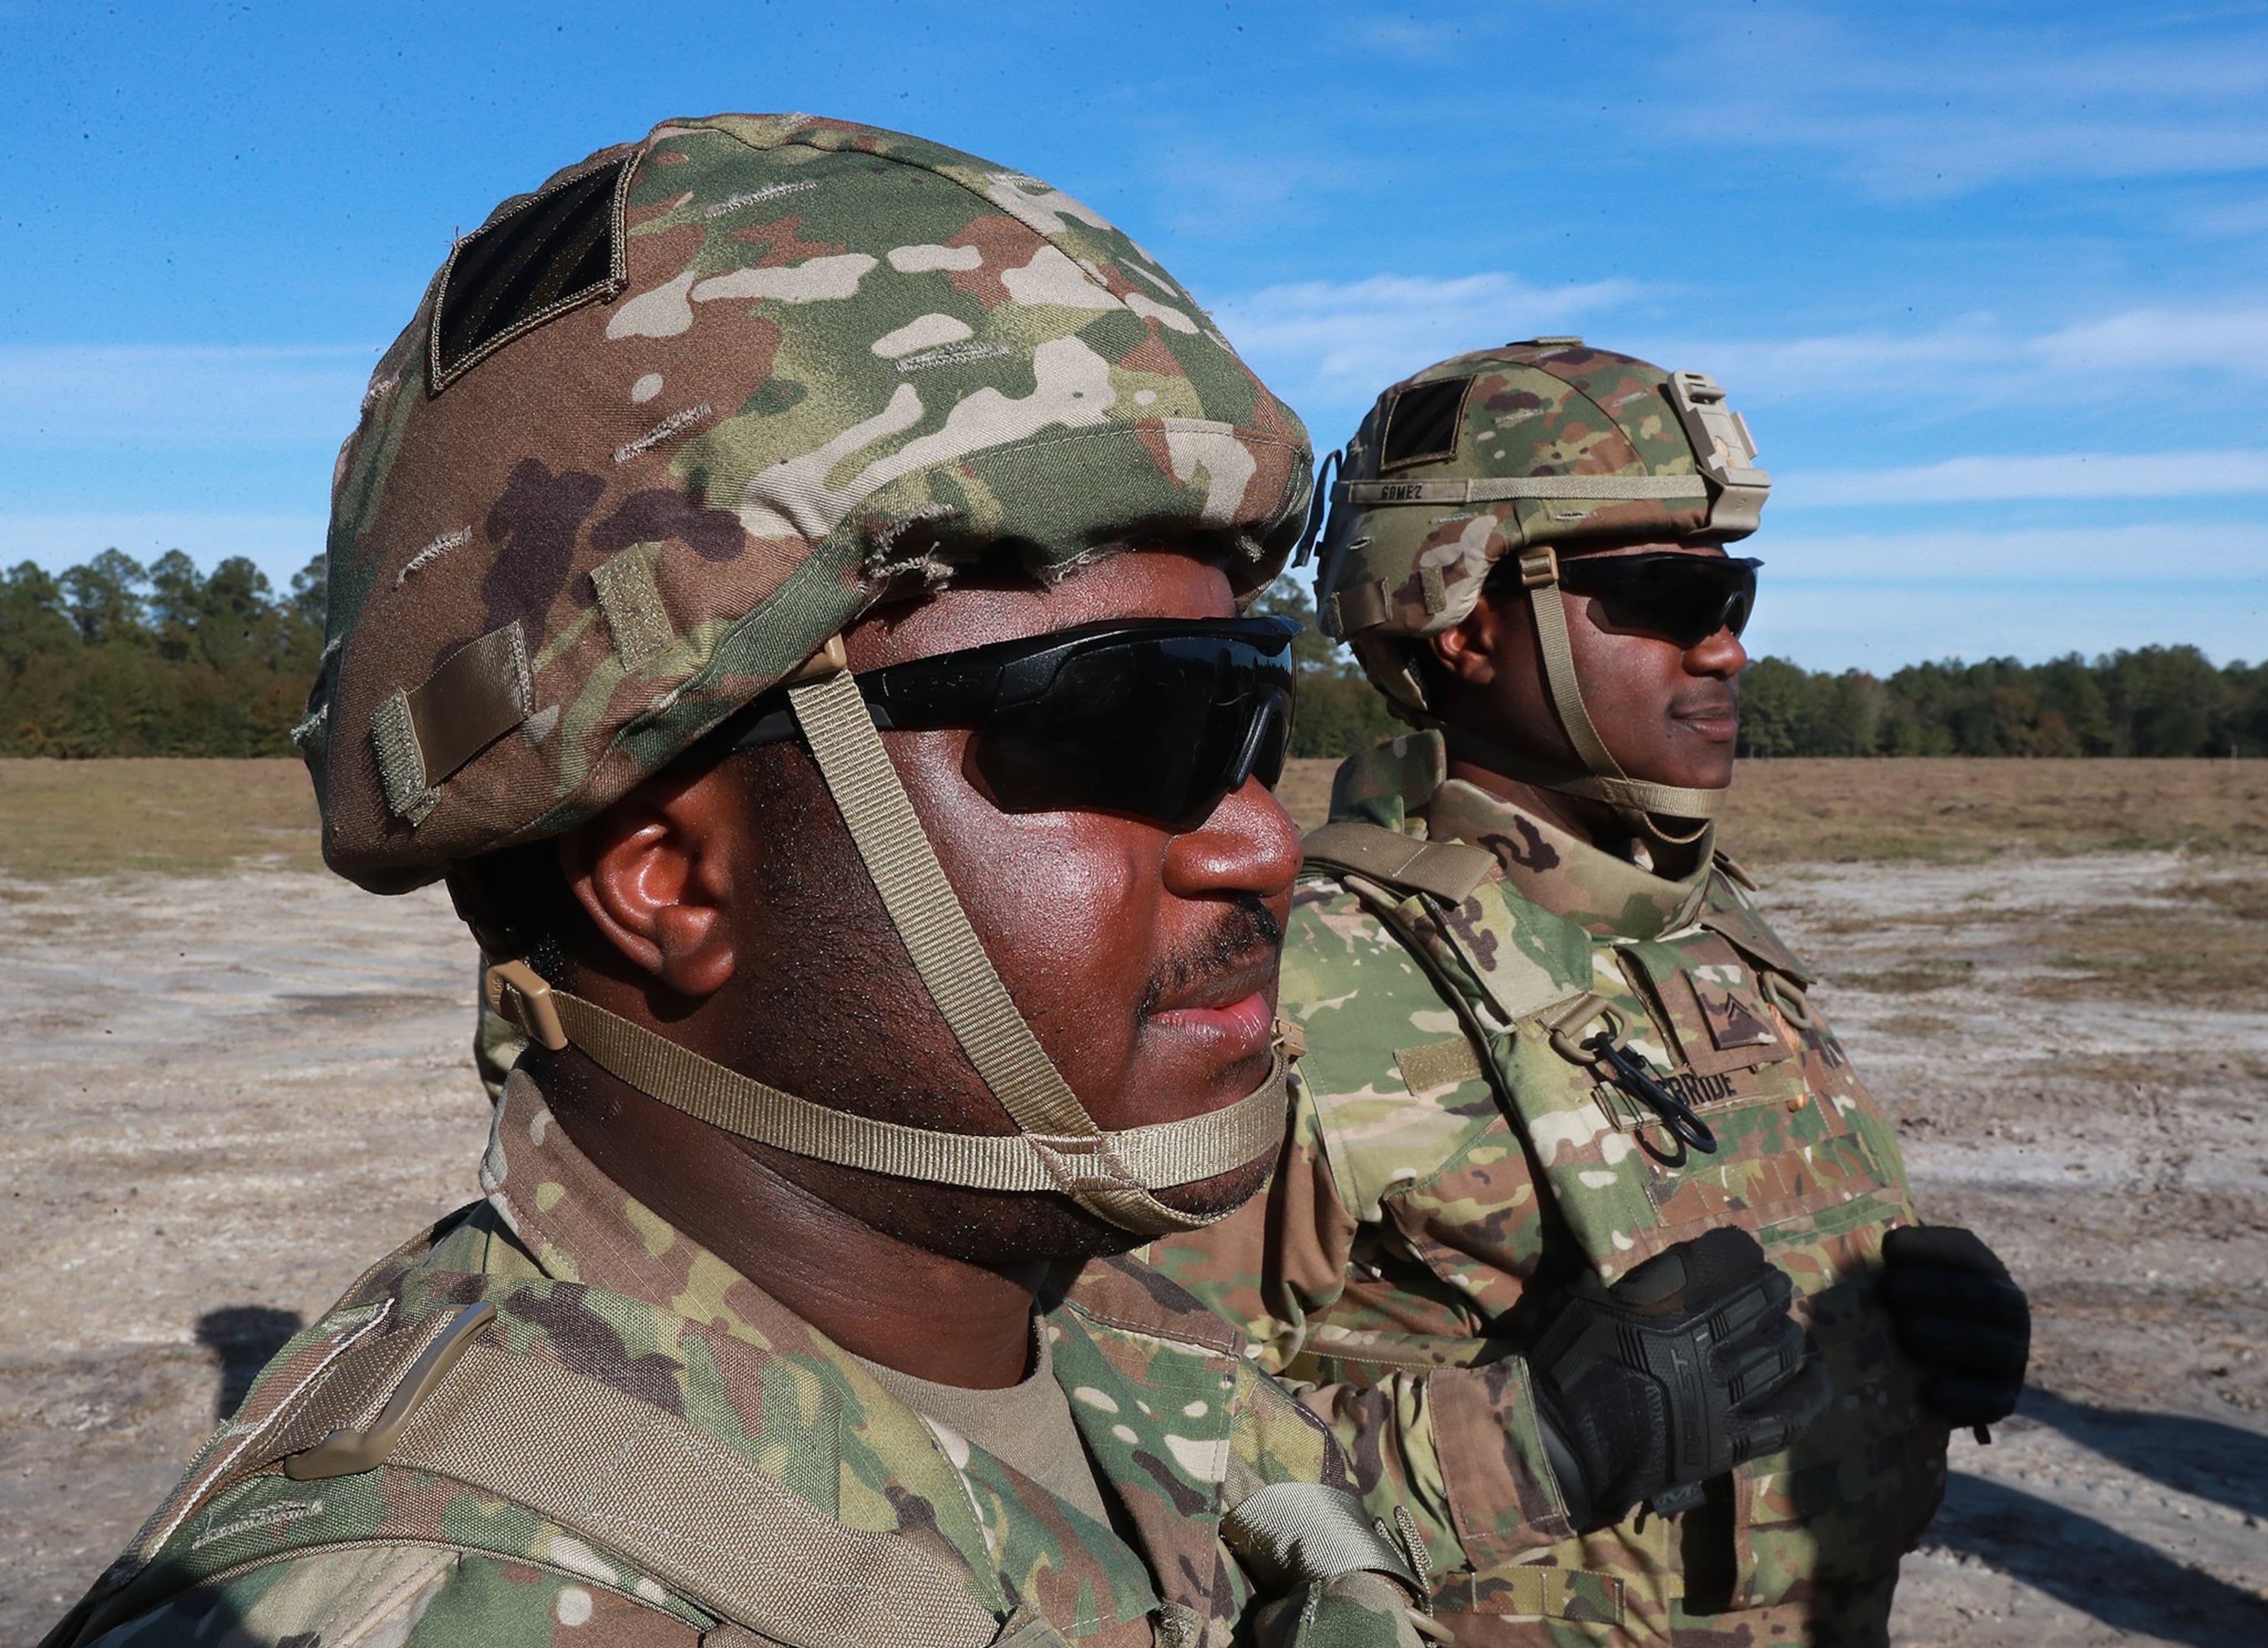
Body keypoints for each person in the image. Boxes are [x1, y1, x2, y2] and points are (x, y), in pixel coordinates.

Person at [43, 115, 1439, 1648]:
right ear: (665, 877)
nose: (1260, 837)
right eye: (1127, 721)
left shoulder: (1102, 1322)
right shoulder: (433, 1600)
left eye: (1250, 709)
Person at [1146, 341, 2031, 1646]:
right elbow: (1124, 1451)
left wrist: (1904, 1355)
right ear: (1458, 616)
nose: (1724, 647)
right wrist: (1527, 1444)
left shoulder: (1705, 919)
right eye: (1665, 594)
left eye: (1733, 589)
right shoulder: (1296, 986)